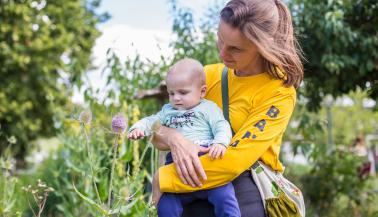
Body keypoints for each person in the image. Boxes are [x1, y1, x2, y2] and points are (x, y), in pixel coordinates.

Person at [151, 0, 304, 216]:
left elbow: (233, 161)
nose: (223, 54)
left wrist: (164, 178)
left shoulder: (278, 93)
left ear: (263, 46)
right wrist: (174, 138)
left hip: (243, 197)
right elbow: (156, 129)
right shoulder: (209, 76)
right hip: (188, 196)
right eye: (220, 40)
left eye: (236, 49)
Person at [128, 58, 241, 217]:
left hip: (207, 164)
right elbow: (152, 121)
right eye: (171, 93)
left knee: (225, 197)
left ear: (202, 92)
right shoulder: (168, 111)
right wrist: (139, 128)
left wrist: (220, 143)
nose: (176, 98)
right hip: (177, 167)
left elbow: (221, 126)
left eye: (183, 92)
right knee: (165, 205)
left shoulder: (208, 108)